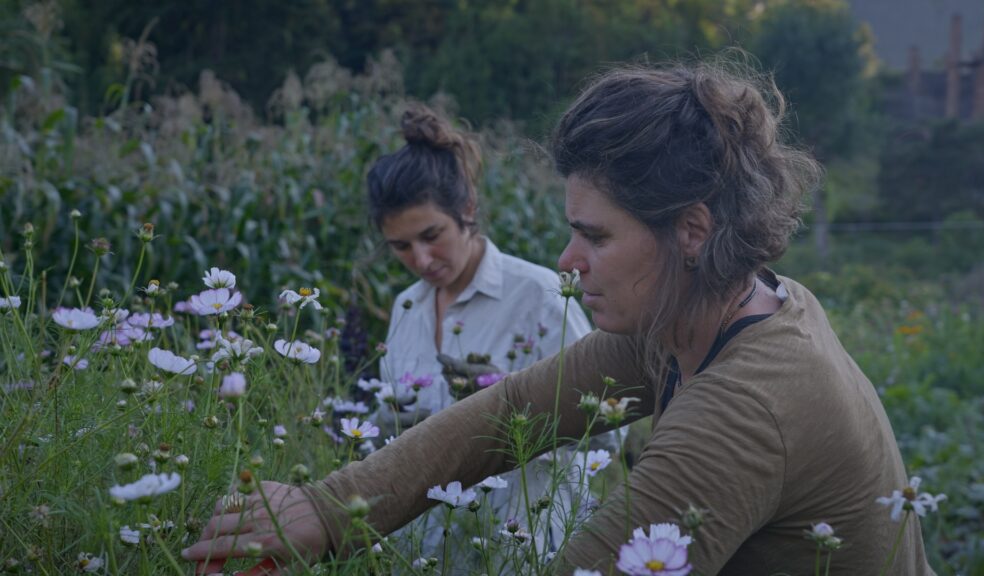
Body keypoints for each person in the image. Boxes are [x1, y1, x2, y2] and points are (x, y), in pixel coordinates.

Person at [183, 62, 935, 575]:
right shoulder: (708, 311)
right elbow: (511, 408)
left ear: (692, 231)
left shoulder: (743, 410)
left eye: (596, 237)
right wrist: (327, 508)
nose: (567, 261)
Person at [357, 103, 603, 561]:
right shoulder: (407, 306)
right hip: (426, 551)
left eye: (432, 235)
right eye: (401, 246)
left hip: (519, 547)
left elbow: (606, 430)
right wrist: (388, 424)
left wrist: (510, 403)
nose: (421, 260)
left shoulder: (541, 296)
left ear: (467, 209)